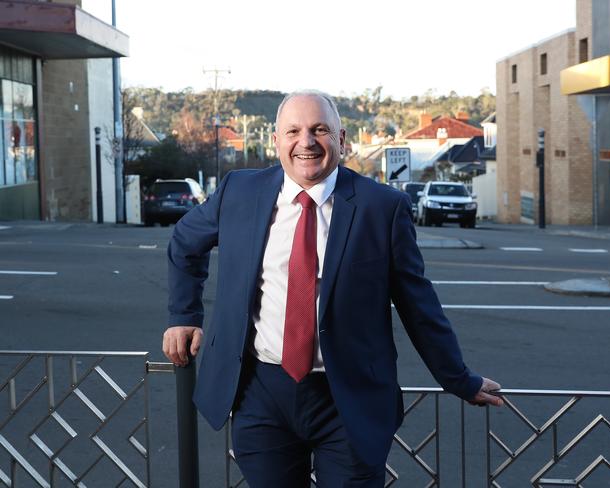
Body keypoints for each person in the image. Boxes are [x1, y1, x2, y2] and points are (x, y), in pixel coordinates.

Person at [162, 90, 502, 488]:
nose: (306, 142)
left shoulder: (382, 208)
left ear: (342, 140)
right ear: (276, 141)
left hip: (349, 400)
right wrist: (184, 316)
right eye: (293, 131)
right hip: (261, 394)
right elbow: (185, 242)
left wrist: (459, 379)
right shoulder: (240, 191)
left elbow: (418, 305)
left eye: (319, 130)